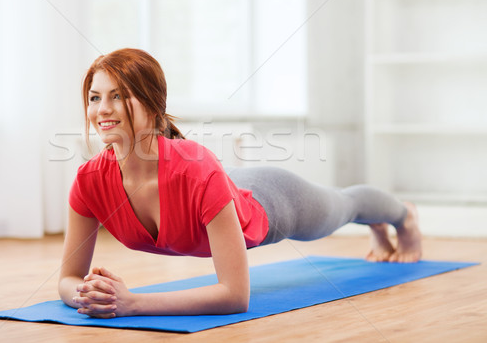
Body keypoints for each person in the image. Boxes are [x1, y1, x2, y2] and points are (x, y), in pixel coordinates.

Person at [58, 48, 422, 319]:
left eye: (117, 95)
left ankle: (403, 217)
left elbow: (235, 296)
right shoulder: (89, 182)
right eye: (95, 97)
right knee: (343, 207)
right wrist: (90, 294)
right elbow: (68, 279)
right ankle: (379, 223)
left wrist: (132, 303)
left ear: (153, 106)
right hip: (221, 187)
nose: (102, 109)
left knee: (344, 206)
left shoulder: (196, 168)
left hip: (271, 200)